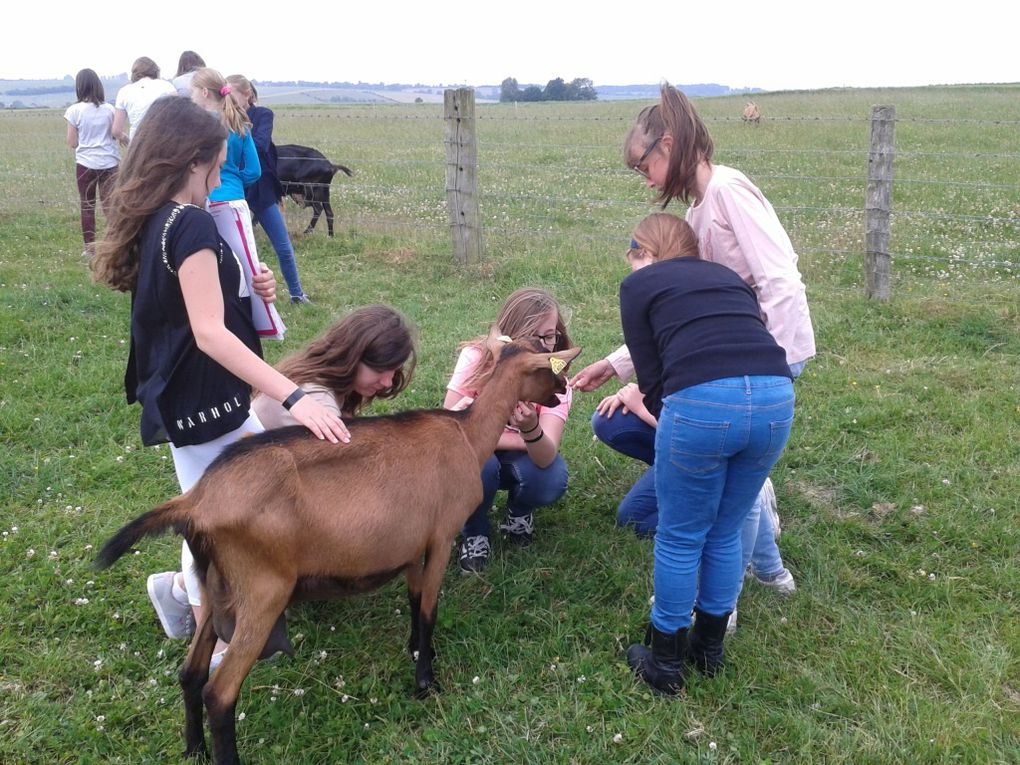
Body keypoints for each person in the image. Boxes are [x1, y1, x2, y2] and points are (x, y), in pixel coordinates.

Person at [90, 96, 348, 668]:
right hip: (207, 403)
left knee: (225, 512)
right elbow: (208, 333)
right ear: (195, 160)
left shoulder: (161, 221)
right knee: (227, 525)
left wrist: (251, 293)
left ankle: (180, 593)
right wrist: (295, 394)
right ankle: (221, 644)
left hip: (191, 398)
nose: (220, 174)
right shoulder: (192, 224)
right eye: (217, 161)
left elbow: (187, 311)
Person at [572, 82, 813, 600]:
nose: (646, 179)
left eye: (644, 165)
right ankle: (767, 571)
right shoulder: (697, 213)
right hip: (738, 359)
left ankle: (730, 598)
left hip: (761, 359)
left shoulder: (726, 189)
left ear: (668, 144)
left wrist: (774, 359)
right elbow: (687, 315)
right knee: (736, 490)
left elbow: (780, 280)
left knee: (730, 492)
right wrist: (616, 366)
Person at [616, 213, 796, 696]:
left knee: (679, 537)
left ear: (645, 253)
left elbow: (652, 376)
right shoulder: (728, 276)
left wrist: (670, 419)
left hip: (702, 405)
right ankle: (709, 651)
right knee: (725, 529)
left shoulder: (640, 286)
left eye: (634, 259)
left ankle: (665, 663)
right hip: (777, 398)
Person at [444, 288, 574, 573]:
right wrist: (488, 430)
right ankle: (474, 531)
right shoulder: (476, 358)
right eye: (532, 336)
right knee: (478, 466)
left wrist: (528, 428)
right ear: (509, 335)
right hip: (478, 455)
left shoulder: (555, 379)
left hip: (524, 457)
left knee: (550, 476)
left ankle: (519, 511)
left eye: (550, 335)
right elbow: (450, 424)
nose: (544, 345)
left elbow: (545, 454)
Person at [191, 68, 283, 339]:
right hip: (232, 203)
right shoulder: (239, 126)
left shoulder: (197, 126)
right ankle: (263, 323)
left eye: (193, 91)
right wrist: (233, 180)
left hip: (202, 202)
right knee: (246, 266)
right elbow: (254, 171)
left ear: (204, 93)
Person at [251, 304, 416, 429]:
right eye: (379, 370)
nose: (388, 382)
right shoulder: (317, 403)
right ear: (351, 357)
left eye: (394, 370)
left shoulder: (319, 376)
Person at [226, 74, 310, 304]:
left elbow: (261, 145)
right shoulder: (222, 117)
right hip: (232, 189)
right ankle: (236, 295)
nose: (228, 100)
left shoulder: (262, 115)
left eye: (232, 94)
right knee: (232, 246)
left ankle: (296, 293)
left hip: (259, 187)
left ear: (248, 95)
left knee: (281, 243)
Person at [64, 68, 119, 257]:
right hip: (109, 163)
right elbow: (115, 133)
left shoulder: (74, 110)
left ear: (79, 87)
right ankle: (116, 243)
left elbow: (72, 142)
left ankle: (90, 248)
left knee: (87, 205)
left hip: (85, 164)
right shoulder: (110, 109)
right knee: (110, 205)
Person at [112, 56, 176, 143]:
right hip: (163, 142)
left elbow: (116, 131)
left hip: (137, 144)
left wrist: (126, 140)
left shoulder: (124, 91)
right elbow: (178, 115)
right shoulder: (167, 87)